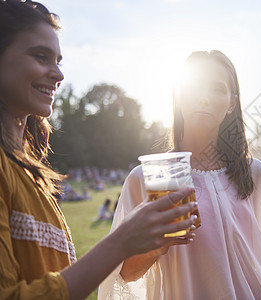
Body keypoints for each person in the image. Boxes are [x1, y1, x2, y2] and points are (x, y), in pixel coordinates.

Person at [0, 1, 198, 299]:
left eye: (59, 61)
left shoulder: (28, 172)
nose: (58, 74)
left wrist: (145, 243)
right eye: (41, 56)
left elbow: (53, 275)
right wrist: (119, 241)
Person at [98, 50, 261, 299]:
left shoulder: (253, 173)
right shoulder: (146, 179)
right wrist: (156, 246)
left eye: (217, 89)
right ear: (178, 97)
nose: (203, 98)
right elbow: (124, 275)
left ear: (231, 104)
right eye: (194, 87)